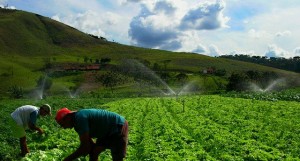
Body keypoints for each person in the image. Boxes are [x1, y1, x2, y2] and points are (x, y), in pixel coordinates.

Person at [55, 108, 128, 161]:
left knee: (117, 157)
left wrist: (67, 159)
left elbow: (85, 147)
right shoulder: (77, 123)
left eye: (62, 124)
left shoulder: (80, 118)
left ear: (67, 117)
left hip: (118, 125)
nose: (63, 128)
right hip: (105, 132)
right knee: (94, 152)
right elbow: (89, 145)